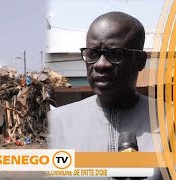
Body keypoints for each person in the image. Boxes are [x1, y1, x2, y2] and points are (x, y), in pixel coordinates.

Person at [48, 12, 162, 179]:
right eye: (92, 54)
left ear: (140, 60)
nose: (101, 64)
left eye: (114, 53)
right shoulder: (57, 123)